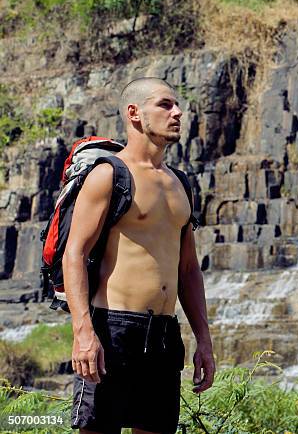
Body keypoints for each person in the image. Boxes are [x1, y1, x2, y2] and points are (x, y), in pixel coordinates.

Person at [63, 77, 215, 433]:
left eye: (177, 105)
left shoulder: (181, 183)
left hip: (163, 334)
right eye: (165, 104)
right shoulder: (108, 175)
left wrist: (204, 340)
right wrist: (83, 331)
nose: (177, 112)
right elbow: (75, 254)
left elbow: (189, 269)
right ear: (134, 113)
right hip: (113, 329)